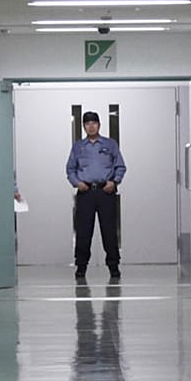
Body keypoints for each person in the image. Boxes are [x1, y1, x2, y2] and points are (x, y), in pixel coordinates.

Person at [65, 110, 126, 282]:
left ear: (99, 125)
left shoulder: (110, 144)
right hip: (85, 193)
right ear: (84, 126)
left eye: (94, 123)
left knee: (109, 231)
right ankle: (81, 266)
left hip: (105, 192)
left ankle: (114, 266)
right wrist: (77, 183)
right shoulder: (78, 147)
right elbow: (70, 169)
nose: (91, 126)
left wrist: (114, 182)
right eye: (87, 124)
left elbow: (120, 166)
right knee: (84, 232)